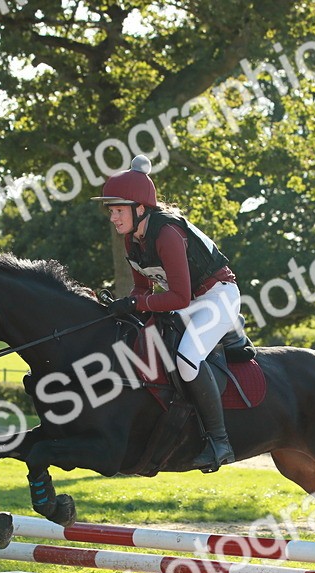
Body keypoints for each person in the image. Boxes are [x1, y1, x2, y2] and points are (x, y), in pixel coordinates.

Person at [94, 155, 240, 472]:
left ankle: (220, 442)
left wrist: (136, 304)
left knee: (187, 360)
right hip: (190, 303)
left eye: (118, 210)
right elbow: (142, 290)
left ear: (140, 209)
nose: (113, 218)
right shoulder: (131, 240)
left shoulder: (167, 234)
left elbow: (178, 296)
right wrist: (124, 306)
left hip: (217, 298)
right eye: (111, 211)